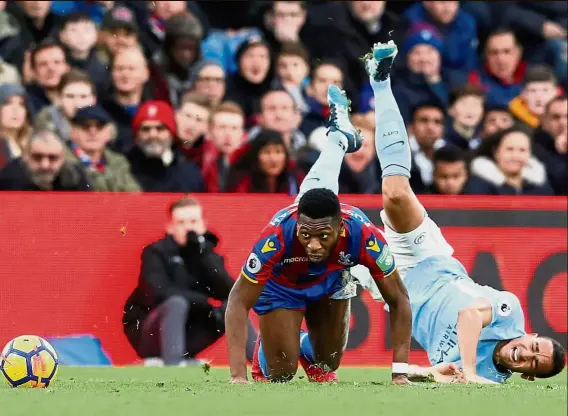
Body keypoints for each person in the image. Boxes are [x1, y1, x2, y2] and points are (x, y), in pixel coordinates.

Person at [349, 40, 566, 383]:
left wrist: (428, 373)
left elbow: (440, 375)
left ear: (526, 376)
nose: (526, 354)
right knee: (396, 193)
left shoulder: (490, 379)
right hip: (430, 258)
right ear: (532, 334)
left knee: (335, 250)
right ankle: (381, 82)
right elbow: (468, 315)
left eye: (532, 364)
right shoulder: (509, 313)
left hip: (396, 289)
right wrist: (466, 370)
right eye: (534, 348)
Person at [225, 84, 412, 385]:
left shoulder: (363, 236)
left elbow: (400, 299)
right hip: (283, 286)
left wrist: (401, 374)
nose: (312, 244)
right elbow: (236, 301)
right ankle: (274, 348)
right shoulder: (276, 238)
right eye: (305, 235)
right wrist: (237, 376)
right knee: (280, 375)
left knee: (328, 361)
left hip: (329, 279)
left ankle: (338, 137)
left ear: (340, 228)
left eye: (322, 236)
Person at [123, 197, 256, 366]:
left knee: (231, 307)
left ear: (203, 225)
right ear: (170, 227)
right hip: (151, 334)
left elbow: (231, 292)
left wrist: (204, 254)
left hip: (190, 333)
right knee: (177, 303)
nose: (188, 228)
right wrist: (204, 301)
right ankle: (175, 367)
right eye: (181, 222)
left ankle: (262, 365)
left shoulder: (208, 255)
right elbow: (159, 292)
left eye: (193, 221)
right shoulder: (156, 253)